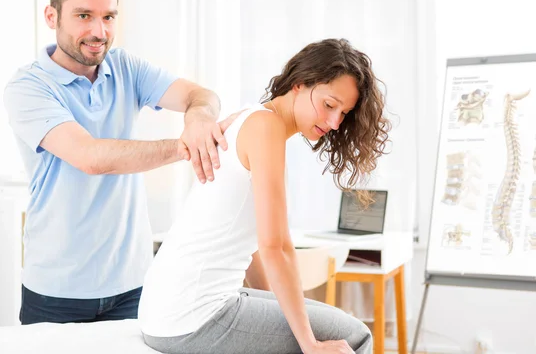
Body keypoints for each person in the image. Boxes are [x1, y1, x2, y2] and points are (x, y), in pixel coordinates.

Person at [3, 0, 234, 325]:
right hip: (57, 292)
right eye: (83, 15)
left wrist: (200, 119)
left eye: (109, 17)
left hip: (134, 285)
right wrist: (184, 146)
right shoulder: (29, 87)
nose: (99, 31)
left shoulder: (125, 67)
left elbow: (201, 95)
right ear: (52, 16)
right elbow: (91, 157)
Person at [138, 38, 391, 354]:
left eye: (344, 113)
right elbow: (276, 247)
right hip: (191, 316)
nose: (334, 122)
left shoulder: (250, 117)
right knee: (353, 335)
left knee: (306, 323)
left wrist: (282, 316)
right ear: (299, 83)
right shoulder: (266, 128)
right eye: (329, 105)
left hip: (164, 310)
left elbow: (253, 246)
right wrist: (309, 344)